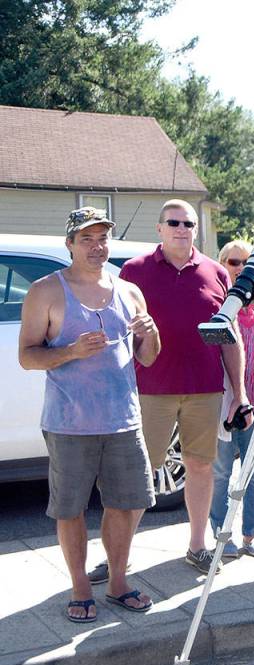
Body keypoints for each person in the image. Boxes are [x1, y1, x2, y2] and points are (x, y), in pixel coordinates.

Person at [18, 207, 161, 622]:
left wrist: (151, 335)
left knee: (125, 504)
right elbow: (27, 356)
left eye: (102, 238)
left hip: (123, 420)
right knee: (71, 509)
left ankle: (118, 582)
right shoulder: (46, 291)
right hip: (69, 423)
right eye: (87, 239)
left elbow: (148, 359)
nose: (97, 247)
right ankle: (81, 587)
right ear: (70, 244)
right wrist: (70, 352)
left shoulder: (129, 291)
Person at [120, 199, 248, 575]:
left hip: (204, 388)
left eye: (188, 223)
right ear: (159, 228)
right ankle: (119, 552)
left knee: (200, 466)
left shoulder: (215, 273)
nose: (181, 229)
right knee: (140, 471)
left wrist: (238, 394)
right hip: (150, 388)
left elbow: (230, 336)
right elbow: (121, 331)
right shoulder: (133, 271)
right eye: (173, 222)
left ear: (197, 229)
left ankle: (197, 546)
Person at [209, 240, 254, 559]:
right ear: (222, 264)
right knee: (220, 473)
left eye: (247, 263)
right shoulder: (218, 304)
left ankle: (251, 535)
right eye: (233, 262)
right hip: (224, 402)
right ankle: (221, 535)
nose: (240, 268)